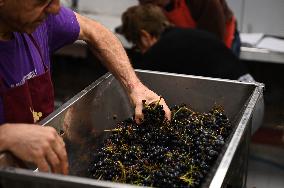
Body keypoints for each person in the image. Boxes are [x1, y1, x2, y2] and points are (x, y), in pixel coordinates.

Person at [0, 0, 171, 175]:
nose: (56, 8)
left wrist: (135, 87)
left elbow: (95, 31)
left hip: (39, 169)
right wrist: (5, 136)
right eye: (42, 1)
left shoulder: (42, 21)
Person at [120, 4, 254, 82]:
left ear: (145, 36)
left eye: (138, 46)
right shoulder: (182, 34)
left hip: (240, 95)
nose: (141, 52)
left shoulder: (159, 50)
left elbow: (139, 78)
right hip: (250, 86)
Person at [138, 0, 241, 56]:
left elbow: (213, 43)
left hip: (219, 37)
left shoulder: (205, 3)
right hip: (182, 42)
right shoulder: (146, 3)